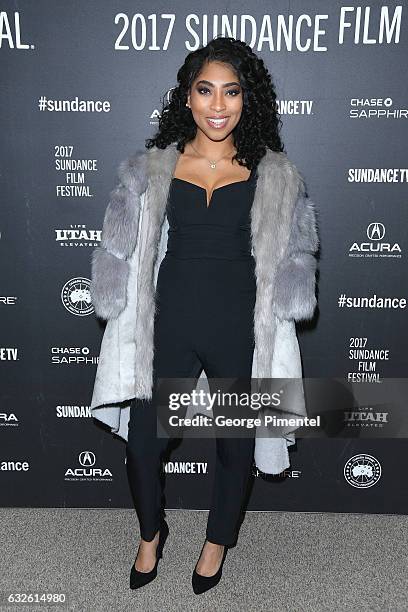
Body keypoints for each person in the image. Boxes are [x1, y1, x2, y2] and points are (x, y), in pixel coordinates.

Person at [90, 36, 319, 594]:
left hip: (240, 326)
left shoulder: (276, 174)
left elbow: (293, 266)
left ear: (248, 99)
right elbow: (121, 247)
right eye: (206, 90)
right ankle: (152, 533)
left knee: (234, 445)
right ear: (187, 98)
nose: (219, 106)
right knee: (144, 439)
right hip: (167, 323)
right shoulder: (151, 169)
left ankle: (217, 541)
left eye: (232, 92)